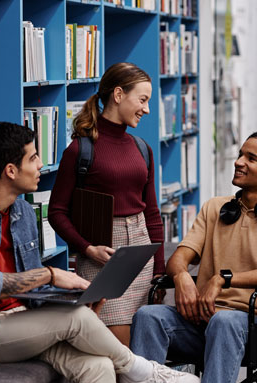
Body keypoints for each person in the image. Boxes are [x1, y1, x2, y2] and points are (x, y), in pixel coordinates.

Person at [0, 121, 200, 383]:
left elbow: (35, 289)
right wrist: (51, 274)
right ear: (10, 170)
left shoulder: (23, 213)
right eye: (33, 158)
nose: (41, 164)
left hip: (24, 321)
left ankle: (133, 371)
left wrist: (69, 299)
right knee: (76, 320)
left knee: (100, 366)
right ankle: (139, 370)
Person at [130, 131, 257, 383]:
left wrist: (222, 279)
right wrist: (181, 278)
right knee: (148, 316)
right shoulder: (215, 208)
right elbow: (179, 258)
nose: (239, 162)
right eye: (240, 155)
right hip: (202, 320)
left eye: (251, 158)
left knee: (225, 321)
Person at [48, 62, 165, 347]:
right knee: (118, 347)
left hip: (141, 252)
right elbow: (57, 212)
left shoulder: (142, 148)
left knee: (142, 344)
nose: (146, 109)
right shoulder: (80, 150)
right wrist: (87, 249)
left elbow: (151, 213)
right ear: (118, 94)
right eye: (142, 99)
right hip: (102, 257)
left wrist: (159, 271)